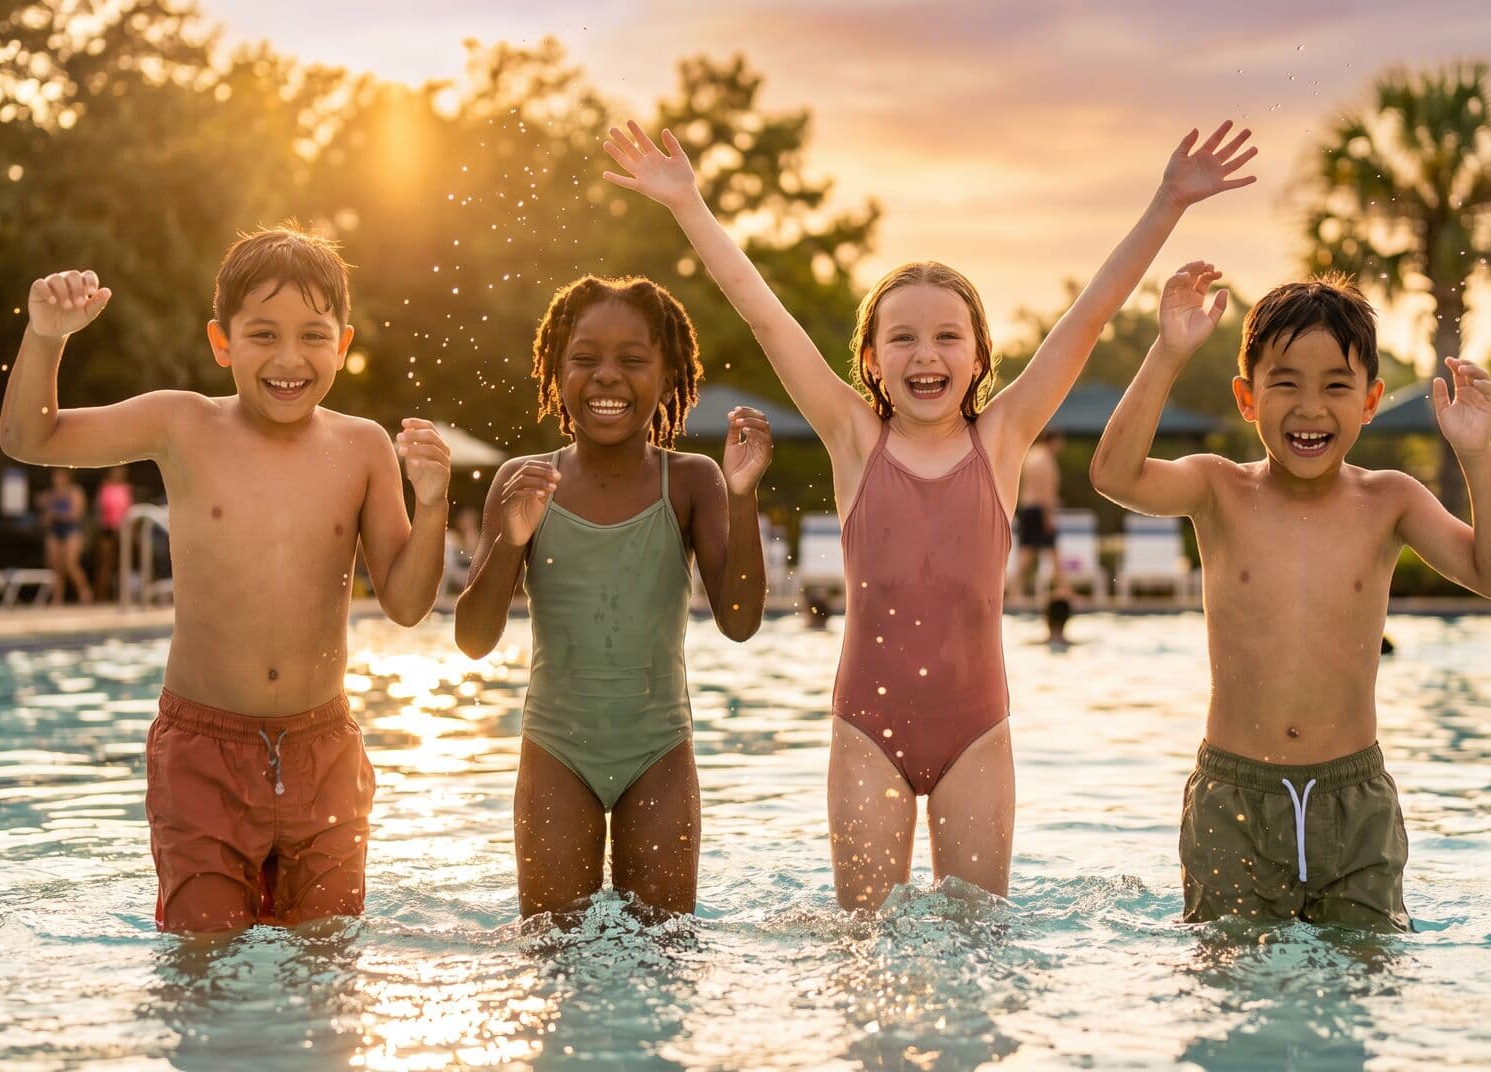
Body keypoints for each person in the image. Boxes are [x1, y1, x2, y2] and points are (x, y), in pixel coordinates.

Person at [604, 118, 1256, 910]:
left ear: (980, 357)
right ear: (871, 360)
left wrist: (1168, 202)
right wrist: (687, 206)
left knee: (979, 950)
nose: (926, 355)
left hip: (976, 733)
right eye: (902, 338)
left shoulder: (1004, 439)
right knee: (864, 951)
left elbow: (1085, 320)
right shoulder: (853, 438)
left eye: (948, 337)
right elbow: (765, 316)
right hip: (864, 734)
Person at [0, 225, 453, 933]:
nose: (289, 358)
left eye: (312, 336)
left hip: (323, 750)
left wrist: (433, 505)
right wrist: (47, 338)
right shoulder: (182, 425)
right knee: (202, 964)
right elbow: (31, 438)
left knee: (327, 967)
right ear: (222, 343)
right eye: (263, 335)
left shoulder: (363, 446)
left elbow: (405, 602)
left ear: (344, 345)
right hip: (203, 749)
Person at [1091, 269, 1491, 931]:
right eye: (1286, 383)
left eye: (1335, 386)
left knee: (1360, 988)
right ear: (1247, 396)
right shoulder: (1218, 489)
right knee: (1232, 987)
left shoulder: (1391, 501)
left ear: (1371, 400)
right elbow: (1114, 475)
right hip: (1234, 797)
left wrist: (1475, 453)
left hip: (1355, 806)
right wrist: (1170, 352)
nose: (1310, 407)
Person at [454, 275, 771, 919]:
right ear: (555, 369)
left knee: (663, 955)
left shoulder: (691, 481)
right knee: (551, 950)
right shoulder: (524, 480)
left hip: (658, 755)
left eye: (632, 360)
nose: (607, 377)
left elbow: (739, 621)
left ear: (669, 371)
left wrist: (743, 496)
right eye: (585, 358)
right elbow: (472, 638)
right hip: (555, 752)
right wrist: (511, 541)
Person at [1013, 430, 1065, 604]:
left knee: (1029, 553)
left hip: (1027, 509)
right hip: (1039, 510)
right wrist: (1048, 516)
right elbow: (1046, 492)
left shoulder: (1031, 455)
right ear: (1053, 441)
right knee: (1046, 553)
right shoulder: (1046, 461)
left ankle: (1015, 590)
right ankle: (1063, 591)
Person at [38, 468, 95, 604]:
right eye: (55, 475)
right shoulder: (50, 494)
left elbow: (76, 514)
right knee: (56, 566)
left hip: (72, 530)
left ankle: (85, 592)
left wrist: (55, 515)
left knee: (71, 564)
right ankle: (57, 598)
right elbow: (44, 518)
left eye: (60, 475)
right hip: (55, 530)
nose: (57, 478)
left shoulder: (75, 491)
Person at [93, 466, 134, 602]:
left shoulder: (126, 488)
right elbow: (100, 510)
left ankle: (121, 597)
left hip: (123, 529)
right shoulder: (105, 487)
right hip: (108, 529)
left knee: (123, 563)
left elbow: (129, 509)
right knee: (106, 564)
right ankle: (101, 596)